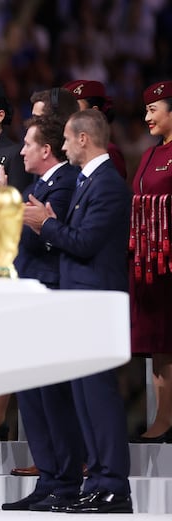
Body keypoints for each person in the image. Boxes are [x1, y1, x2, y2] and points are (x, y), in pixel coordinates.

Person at [23, 109, 132, 513]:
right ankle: (97, 480)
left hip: (97, 303)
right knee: (85, 399)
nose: (64, 146)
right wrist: (50, 222)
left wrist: (44, 225)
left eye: (67, 139)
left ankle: (114, 486)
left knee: (99, 398)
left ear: (84, 139)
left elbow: (84, 243)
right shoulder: (91, 182)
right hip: (80, 302)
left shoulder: (107, 185)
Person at [0, 116, 85, 511]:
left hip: (48, 294)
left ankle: (66, 483)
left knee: (51, 396)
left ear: (46, 150)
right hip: (27, 293)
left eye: (27, 145)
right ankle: (49, 479)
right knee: (32, 397)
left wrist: (0, 200)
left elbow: (41, 239)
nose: (20, 151)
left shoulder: (66, 182)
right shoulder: (39, 186)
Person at [129, 80, 172, 443]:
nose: (147, 117)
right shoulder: (148, 154)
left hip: (170, 257)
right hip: (152, 259)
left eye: (153, 109)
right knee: (159, 340)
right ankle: (164, 416)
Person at [63, 80, 129, 179]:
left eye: (75, 108)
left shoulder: (108, 151)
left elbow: (112, 191)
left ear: (93, 111)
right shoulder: (72, 147)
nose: (70, 114)